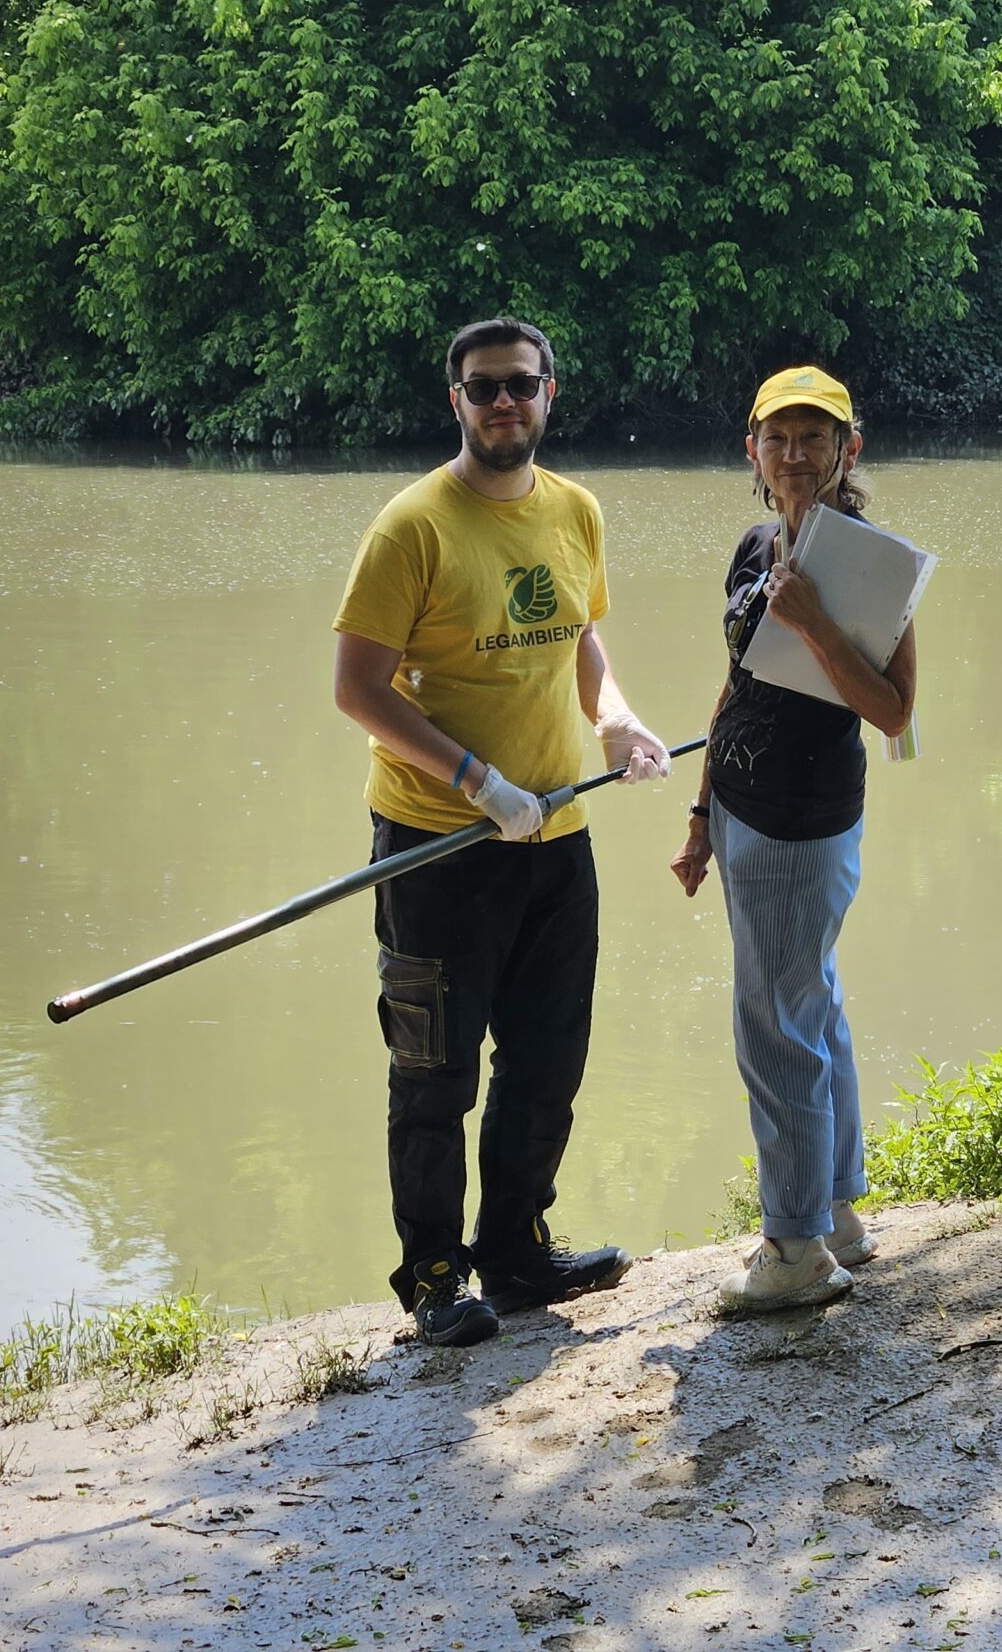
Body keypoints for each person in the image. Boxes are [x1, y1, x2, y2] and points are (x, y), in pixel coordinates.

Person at [333, 317, 672, 1348]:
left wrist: (613, 718)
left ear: (549, 392)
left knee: (547, 1055)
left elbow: (581, 639)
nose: (502, 404)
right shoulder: (412, 527)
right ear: (456, 402)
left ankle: (517, 1250)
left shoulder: (574, 510)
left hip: (553, 836)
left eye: (520, 385)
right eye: (482, 389)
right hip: (439, 842)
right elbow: (356, 689)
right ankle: (436, 1273)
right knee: (434, 1071)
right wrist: (473, 779)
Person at [671, 366, 918, 1316]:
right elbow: (735, 685)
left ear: (849, 449)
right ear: (753, 451)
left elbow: (894, 713)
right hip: (739, 806)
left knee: (776, 1028)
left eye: (816, 436)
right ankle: (836, 1219)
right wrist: (699, 815)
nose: (796, 454)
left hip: (800, 822)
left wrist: (815, 624)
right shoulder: (754, 543)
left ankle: (795, 1251)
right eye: (778, 437)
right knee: (809, 1004)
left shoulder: (874, 565)